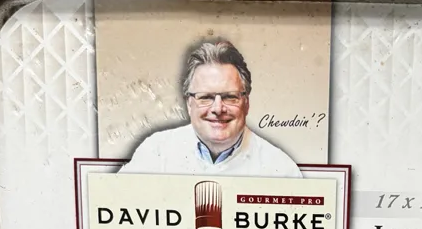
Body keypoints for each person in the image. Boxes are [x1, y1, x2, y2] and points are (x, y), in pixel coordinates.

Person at [122, 39, 301, 177]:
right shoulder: (156, 152)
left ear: (246, 103)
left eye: (229, 97)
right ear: (189, 104)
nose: (217, 108)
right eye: (206, 97)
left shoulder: (281, 169)